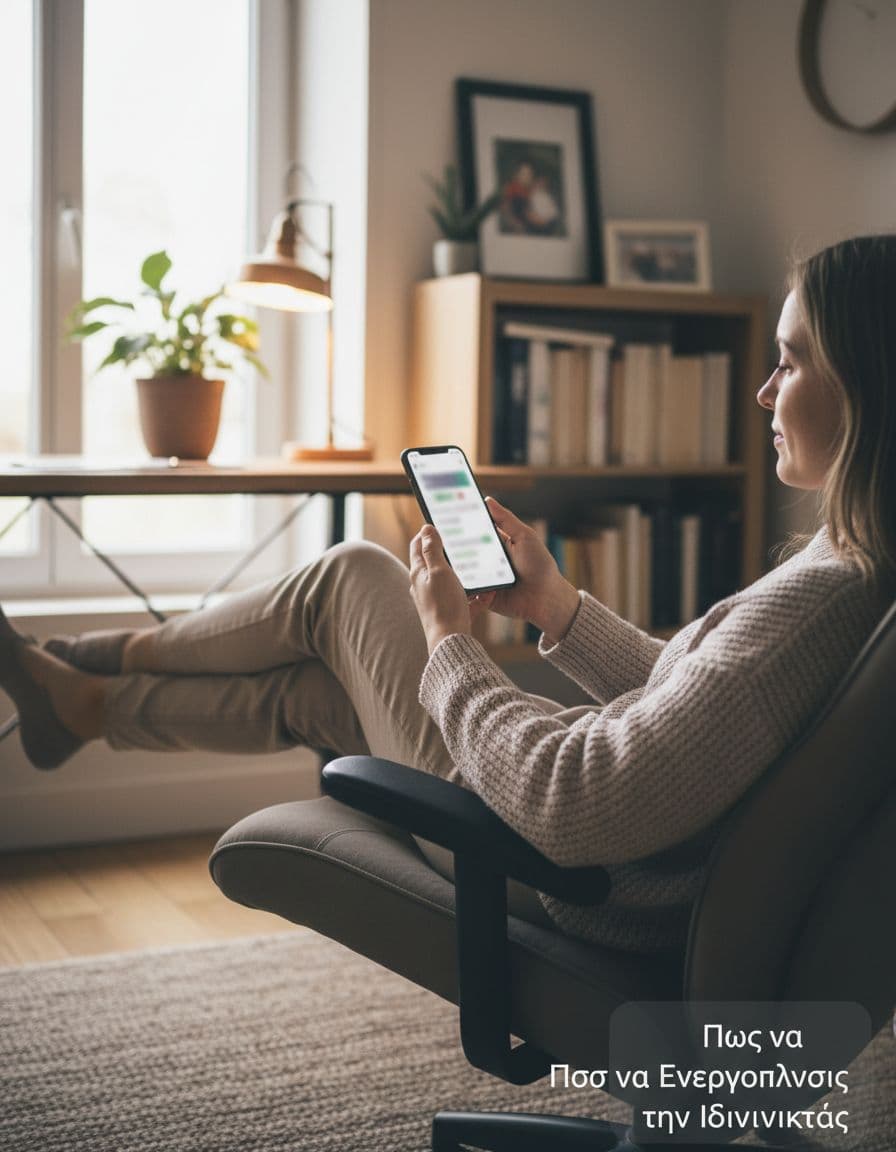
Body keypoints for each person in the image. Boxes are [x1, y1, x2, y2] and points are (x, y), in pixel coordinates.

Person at [2, 235, 894, 954]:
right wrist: (557, 607)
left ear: (864, 385)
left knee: (348, 577)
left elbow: (578, 801)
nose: (763, 389)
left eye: (789, 361)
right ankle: (81, 703)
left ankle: (94, 662)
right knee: (313, 689)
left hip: (548, 868)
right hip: (601, 863)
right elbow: (700, 709)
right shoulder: (854, 578)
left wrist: (449, 645)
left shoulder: (818, 600)